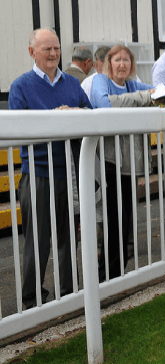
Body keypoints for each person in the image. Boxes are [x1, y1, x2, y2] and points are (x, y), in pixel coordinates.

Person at [9, 28, 91, 309]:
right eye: (47, 49)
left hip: (69, 171)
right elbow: (19, 129)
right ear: (32, 52)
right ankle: (32, 300)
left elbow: (91, 115)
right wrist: (54, 119)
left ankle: (69, 292)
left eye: (56, 48)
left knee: (70, 237)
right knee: (38, 240)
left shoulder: (72, 83)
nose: (54, 54)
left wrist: (77, 114)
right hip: (39, 173)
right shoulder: (20, 86)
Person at [90, 46, 156, 281]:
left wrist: (145, 96)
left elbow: (160, 94)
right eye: (117, 59)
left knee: (126, 223)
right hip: (110, 164)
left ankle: (117, 276)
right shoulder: (100, 81)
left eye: (126, 60)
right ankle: (104, 276)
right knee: (113, 223)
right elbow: (103, 104)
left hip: (131, 164)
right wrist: (142, 99)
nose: (122, 64)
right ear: (109, 63)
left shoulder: (132, 84)